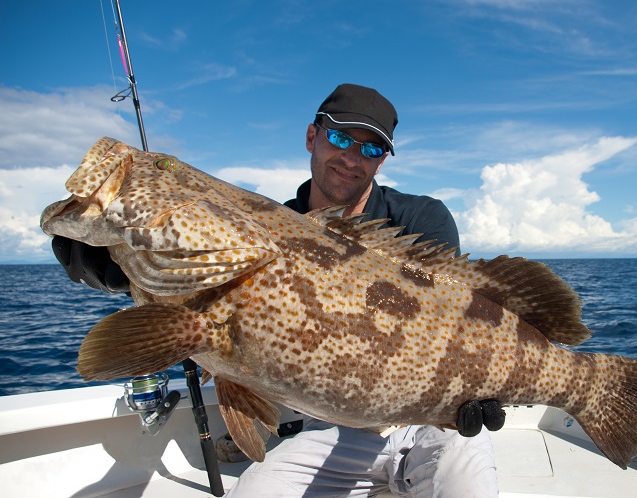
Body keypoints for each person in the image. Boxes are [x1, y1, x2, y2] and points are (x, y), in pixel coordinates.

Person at [52, 83, 504, 497]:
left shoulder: (421, 220)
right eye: (340, 138)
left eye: (369, 148)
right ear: (312, 136)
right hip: (332, 428)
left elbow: (455, 320)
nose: (351, 157)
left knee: (466, 483)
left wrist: (476, 392)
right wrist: (114, 260)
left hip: (432, 423)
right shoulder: (264, 224)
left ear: (382, 160)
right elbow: (180, 274)